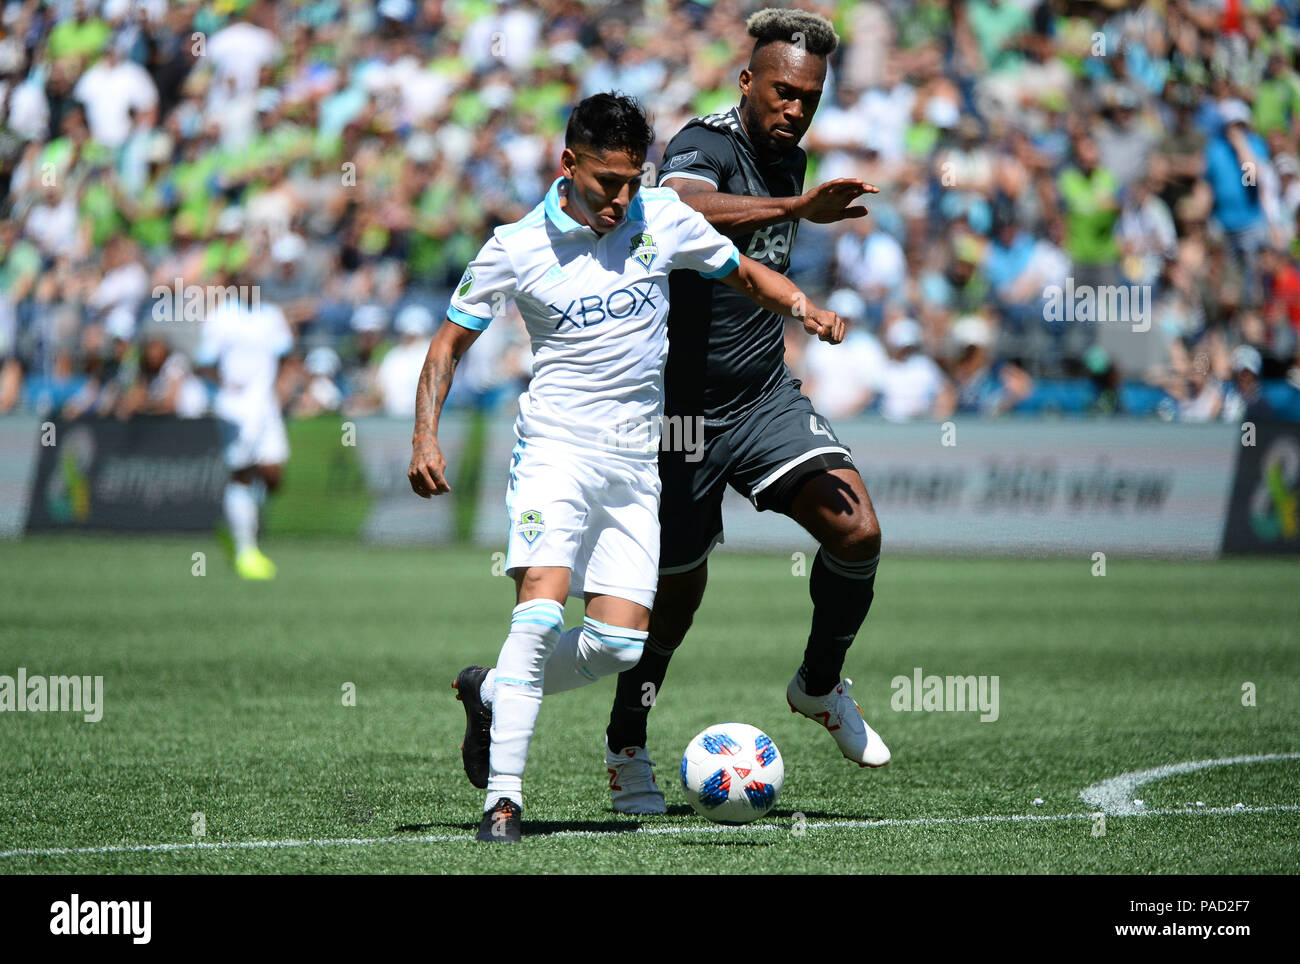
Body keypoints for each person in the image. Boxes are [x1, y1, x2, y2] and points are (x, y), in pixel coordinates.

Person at [406, 92, 844, 843]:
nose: (620, 196)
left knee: (617, 645)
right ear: (567, 165)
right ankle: (504, 800)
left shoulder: (660, 216)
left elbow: (741, 273)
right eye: (607, 180)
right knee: (541, 608)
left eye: (632, 178)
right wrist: (426, 438)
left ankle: (491, 692)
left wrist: (802, 306)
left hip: (637, 462)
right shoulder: (514, 246)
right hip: (555, 451)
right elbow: (447, 346)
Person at [600, 8, 891, 818]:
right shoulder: (706, 142)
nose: (795, 108)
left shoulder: (791, 157)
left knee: (858, 530)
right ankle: (628, 742)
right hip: (678, 415)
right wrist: (798, 213)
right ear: (747, 82)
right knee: (674, 599)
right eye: (783, 91)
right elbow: (682, 211)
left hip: (761, 395)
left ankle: (820, 684)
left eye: (810, 96)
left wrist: (802, 303)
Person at [194, 271, 293, 580]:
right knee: (242, 474)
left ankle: (239, 522)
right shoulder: (221, 318)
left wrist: (284, 386)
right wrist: (225, 384)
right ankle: (245, 551)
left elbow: (287, 353)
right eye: (245, 286)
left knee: (273, 474)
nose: (251, 290)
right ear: (235, 289)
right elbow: (203, 362)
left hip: (266, 408)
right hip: (235, 409)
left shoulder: (271, 316)